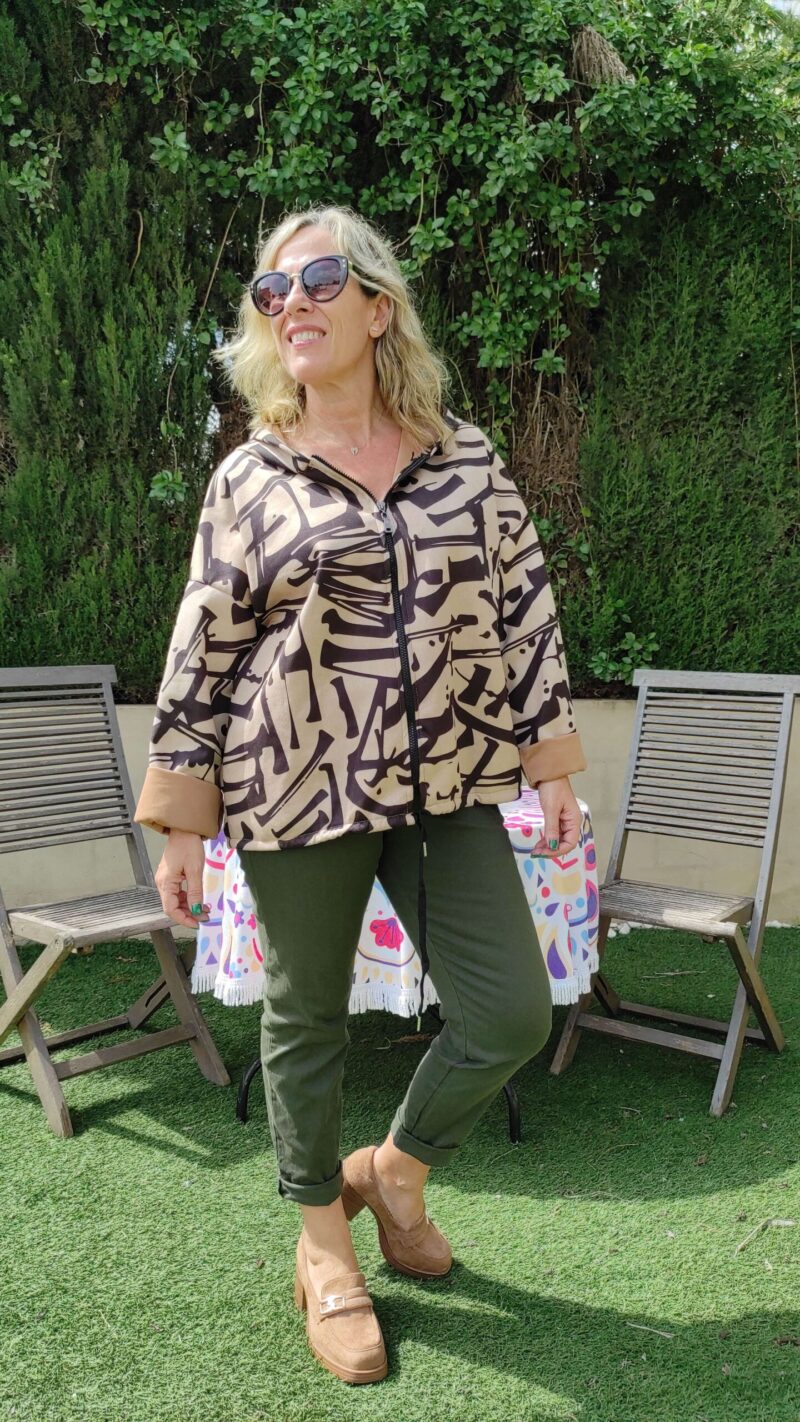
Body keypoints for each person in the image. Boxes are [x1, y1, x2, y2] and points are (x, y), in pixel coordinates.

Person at [134, 203, 587, 1385]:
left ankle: (390, 1172)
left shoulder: (463, 457)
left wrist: (550, 761)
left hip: (452, 780)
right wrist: (179, 819)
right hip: (294, 780)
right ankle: (324, 1252)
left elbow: (524, 607)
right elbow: (202, 647)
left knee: (508, 1013)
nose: (291, 303)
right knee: (305, 1019)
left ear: (378, 308)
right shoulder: (249, 476)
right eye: (270, 291)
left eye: (320, 280)